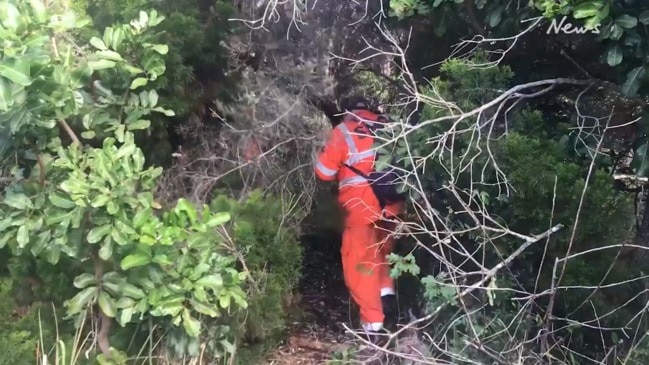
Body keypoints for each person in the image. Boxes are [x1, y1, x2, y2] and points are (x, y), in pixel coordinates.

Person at [314, 96, 405, 337]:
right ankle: (388, 300)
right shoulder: (388, 125)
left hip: (361, 207)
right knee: (383, 255)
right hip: (392, 205)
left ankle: (372, 325)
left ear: (348, 112)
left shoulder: (344, 130)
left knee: (360, 264)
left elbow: (324, 172)